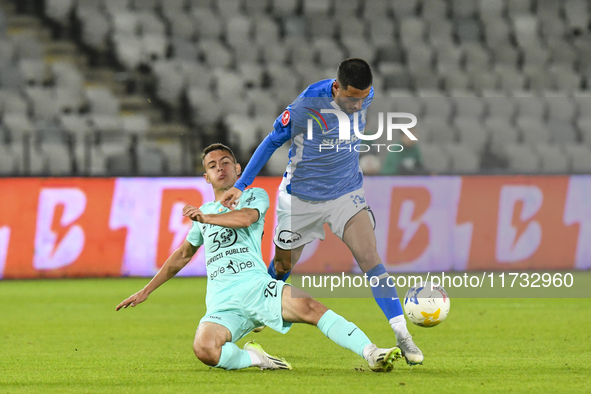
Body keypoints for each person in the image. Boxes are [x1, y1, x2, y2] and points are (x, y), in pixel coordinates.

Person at [116, 143, 402, 372]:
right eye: (212, 166)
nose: (220, 168)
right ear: (206, 177)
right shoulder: (202, 215)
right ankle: (257, 359)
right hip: (222, 301)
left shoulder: (253, 196)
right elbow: (182, 255)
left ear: (238, 168)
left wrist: (207, 217)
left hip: (257, 287)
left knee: (309, 307)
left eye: (225, 162)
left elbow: (245, 219)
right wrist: (146, 290)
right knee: (204, 349)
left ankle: (372, 352)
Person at [219, 58, 424, 365]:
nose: (358, 104)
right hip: (300, 199)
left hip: (346, 193)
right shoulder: (305, 107)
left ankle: (402, 333)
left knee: (370, 258)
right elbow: (272, 140)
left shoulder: (364, 93)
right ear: (337, 87)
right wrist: (243, 184)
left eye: (363, 97)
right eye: (351, 98)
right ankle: (255, 310)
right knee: (281, 265)